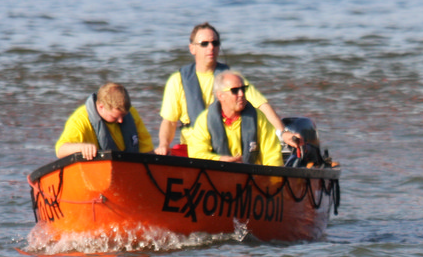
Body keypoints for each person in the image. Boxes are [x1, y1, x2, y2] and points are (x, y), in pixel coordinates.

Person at [157, 22, 302, 156]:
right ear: (192, 48)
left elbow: (261, 106)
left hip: (229, 148)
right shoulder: (177, 81)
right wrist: (163, 144)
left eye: (215, 43)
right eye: (204, 44)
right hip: (193, 148)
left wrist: (283, 132)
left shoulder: (233, 79)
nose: (211, 47)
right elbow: (169, 122)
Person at [187, 71, 284, 165]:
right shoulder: (204, 120)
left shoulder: (258, 118)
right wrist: (220, 160)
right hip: (216, 172)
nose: (241, 94)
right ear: (220, 96)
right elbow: (196, 154)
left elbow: (273, 156)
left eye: (243, 89)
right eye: (235, 91)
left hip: (251, 173)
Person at [55, 82, 153, 160]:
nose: (121, 120)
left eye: (123, 116)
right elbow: (60, 150)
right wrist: (82, 148)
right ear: (101, 107)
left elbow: (148, 151)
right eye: (115, 117)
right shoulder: (80, 120)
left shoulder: (131, 113)